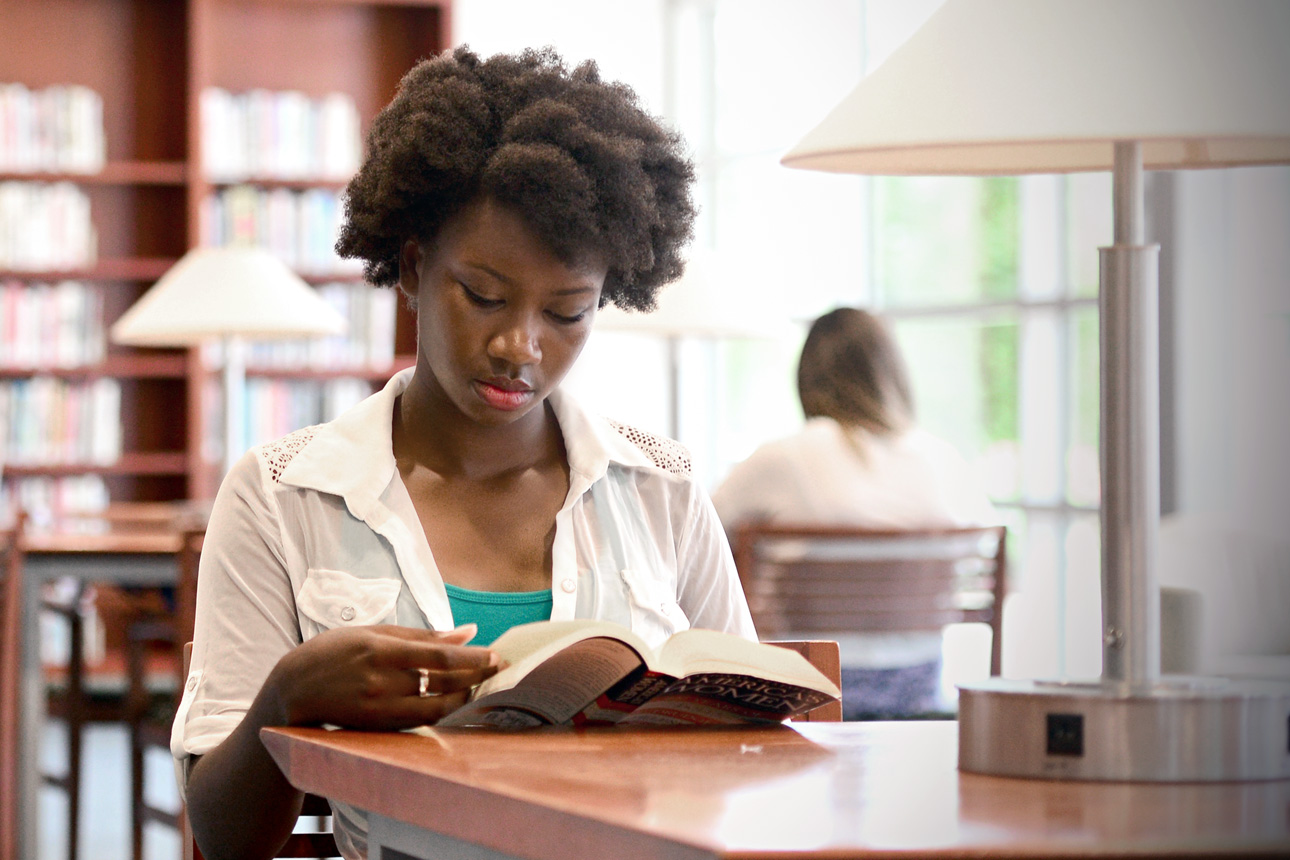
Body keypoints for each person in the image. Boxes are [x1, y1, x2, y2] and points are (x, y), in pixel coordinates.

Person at [172, 46, 755, 860]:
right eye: (482, 296)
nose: (521, 345)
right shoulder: (282, 495)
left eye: (569, 312)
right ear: (412, 266)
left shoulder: (661, 488)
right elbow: (226, 839)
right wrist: (290, 693)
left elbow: (751, 751)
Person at [711, 306, 995, 719]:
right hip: (918, 693)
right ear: (892, 374)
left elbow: (696, 537)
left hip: (803, 691)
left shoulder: (784, 458)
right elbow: (989, 562)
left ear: (808, 379)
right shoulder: (943, 460)